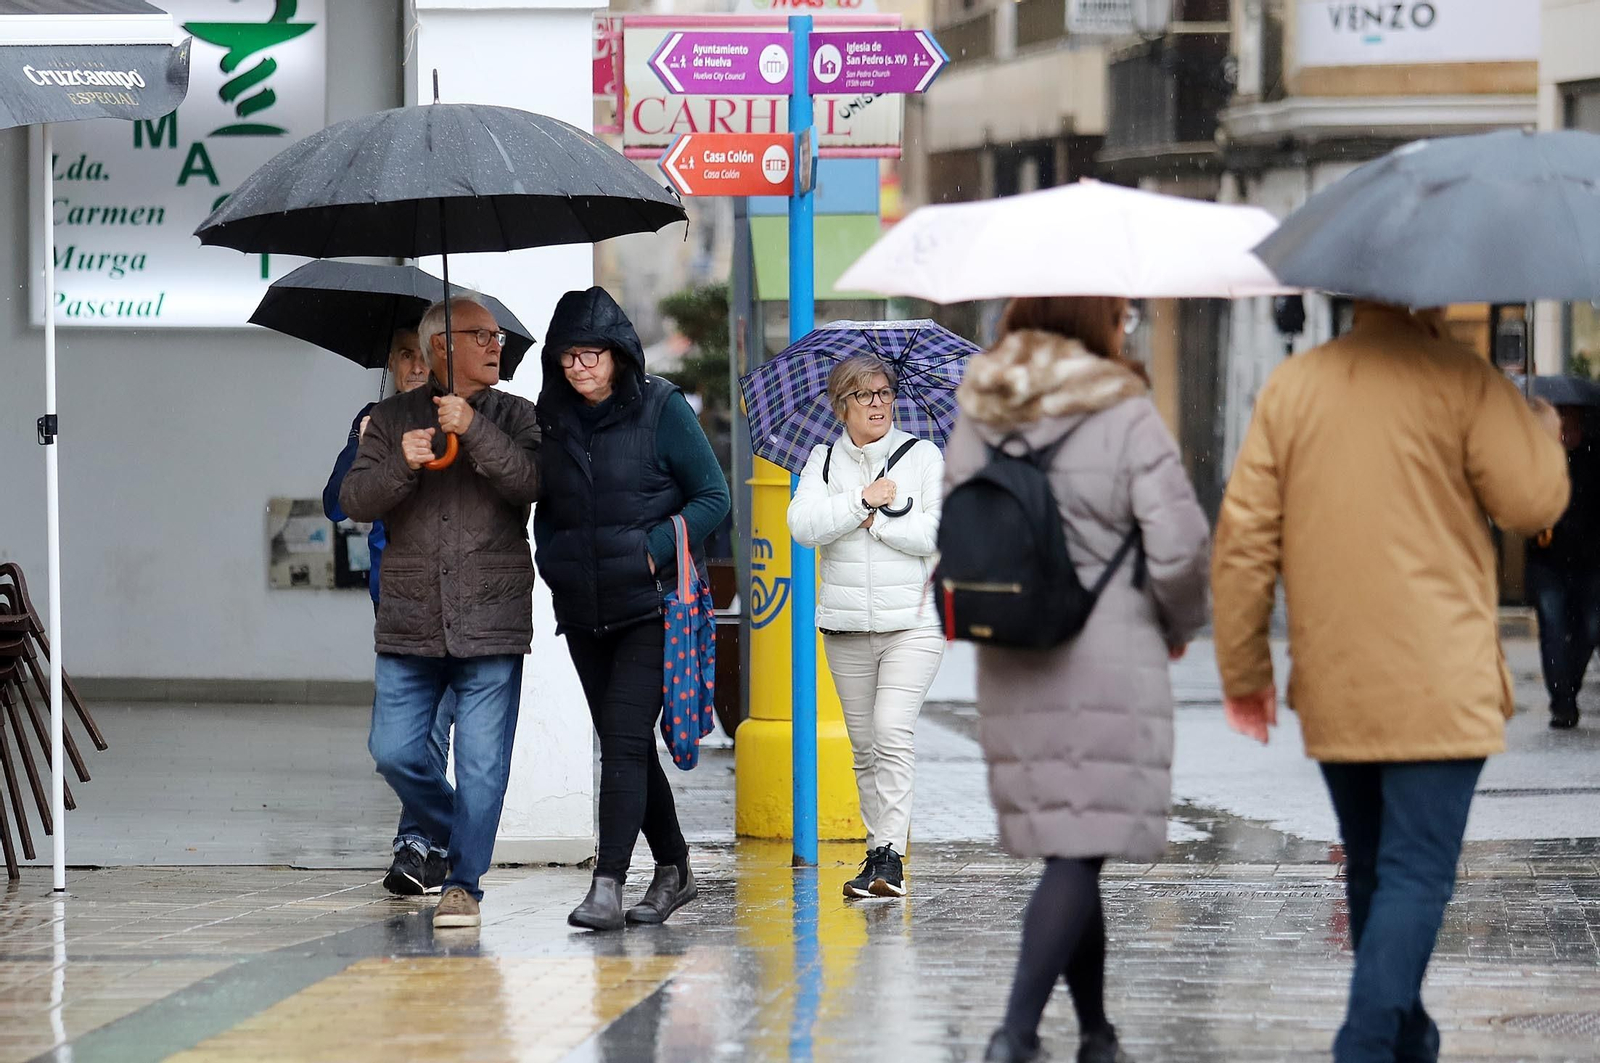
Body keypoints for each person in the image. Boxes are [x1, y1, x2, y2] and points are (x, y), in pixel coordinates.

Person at [1212, 301, 1568, 1063]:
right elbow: (1533, 502)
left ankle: (1411, 1039)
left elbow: (1244, 536)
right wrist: (1537, 431)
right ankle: (1364, 1044)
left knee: (1375, 863)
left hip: (1339, 675)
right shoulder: (1462, 381)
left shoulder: (1296, 386)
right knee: (1414, 873)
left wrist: (1244, 668)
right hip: (1441, 677)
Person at [943, 297, 1210, 1063]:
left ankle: (1097, 1035)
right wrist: (1180, 620)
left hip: (1014, 649)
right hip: (1107, 651)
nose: (1127, 322)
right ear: (1095, 319)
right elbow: (1182, 545)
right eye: (1120, 311)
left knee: (1074, 840)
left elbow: (960, 519)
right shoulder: (1122, 409)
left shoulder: (981, 404)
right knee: (1077, 850)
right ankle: (1015, 1033)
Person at [340, 295, 541, 930]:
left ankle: (463, 884)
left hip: (491, 617)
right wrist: (404, 459)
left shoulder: (518, 415)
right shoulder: (389, 418)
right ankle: (466, 829)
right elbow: (355, 499)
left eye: (497, 335)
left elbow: (534, 485)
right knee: (393, 750)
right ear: (440, 347)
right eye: (480, 335)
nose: (496, 344)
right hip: (410, 618)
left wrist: (474, 428)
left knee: (483, 762)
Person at [533, 287, 729, 932]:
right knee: (629, 747)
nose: (580, 368)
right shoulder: (553, 416)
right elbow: (548, 506)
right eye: (568, 358)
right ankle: (674, 868)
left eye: (592, 354)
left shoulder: (662, 407)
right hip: (584, 608)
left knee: (619, 742)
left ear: (618, 354)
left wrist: (651, 552)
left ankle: (607, 884)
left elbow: (713, 496)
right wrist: (552, 562)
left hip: (653, 606)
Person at [787, 353, 945, 899]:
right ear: (842, 405)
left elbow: (935, 533)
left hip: (913, 626)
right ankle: (877, 855)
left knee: (890, 732)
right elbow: (803, 526)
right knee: (864, 749)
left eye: (884, 393)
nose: (878, 404)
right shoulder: (822, 460)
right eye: (865, 395)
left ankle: (890, 857)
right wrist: (860, 500)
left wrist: (881, 520)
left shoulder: (922, 456)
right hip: (847, 627)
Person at [323, 328, 458, 897]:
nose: (414, 363)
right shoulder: (373, 420)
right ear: (389, 361)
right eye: (403, 351)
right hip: (395, 606)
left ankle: (416, 847)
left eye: (423, 351)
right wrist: (361, 445)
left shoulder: (460, 418)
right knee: (400, 742)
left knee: (430, 731)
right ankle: (445, 842)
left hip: (457, 602)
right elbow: (335, 504)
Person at [1525, 403, 1600, 730]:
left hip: (1590, 561)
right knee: (1553, 630)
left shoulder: (1594, 456)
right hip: (1548, 560)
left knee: (1590, 629)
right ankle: (1562, 702)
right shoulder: (1539, 455)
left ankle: (1569, 686)